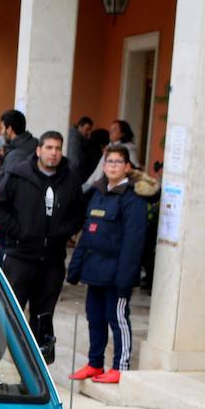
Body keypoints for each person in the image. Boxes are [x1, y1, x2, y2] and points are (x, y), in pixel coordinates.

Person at [67, 144, 157, 385]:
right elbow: (87, 233)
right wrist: (75, 268)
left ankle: (120, 367)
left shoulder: (133, 199)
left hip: (117, 273)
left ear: (127, 167)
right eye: (109, 162)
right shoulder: (98, 193)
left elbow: (133, 242)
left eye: (118, 162)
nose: (113, 166)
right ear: (103, 166)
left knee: (116, 319)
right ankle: (95, 363)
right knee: (94, 317)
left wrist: (125, 277)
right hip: (94, 270)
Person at [0, 131, 82, 346]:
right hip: (20, 257)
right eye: (49, 148)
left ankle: (38, 374)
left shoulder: (70, 179)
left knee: (43, 320)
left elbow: (78, 214)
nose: (53, 153)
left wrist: (63, 231)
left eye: (57, 148)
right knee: (8, 314)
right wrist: (20, 231)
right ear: (38, 150)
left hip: (52, 261)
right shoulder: (18, 174)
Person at [84, 120, 141, 192]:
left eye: (114, 130)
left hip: (111, 187)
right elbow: (98, 169)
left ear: (122, 133)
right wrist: (88, 184)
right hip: (97, 185)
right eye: (110, 129)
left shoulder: (129, 148)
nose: (110, 132)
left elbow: (134, 169)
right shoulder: (110, 146)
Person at [0, 109, 39, 173]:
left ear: (9, 129)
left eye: (2, 128)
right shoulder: (37, 145)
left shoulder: (14, 156)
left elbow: (7, 181)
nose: (1, 132)